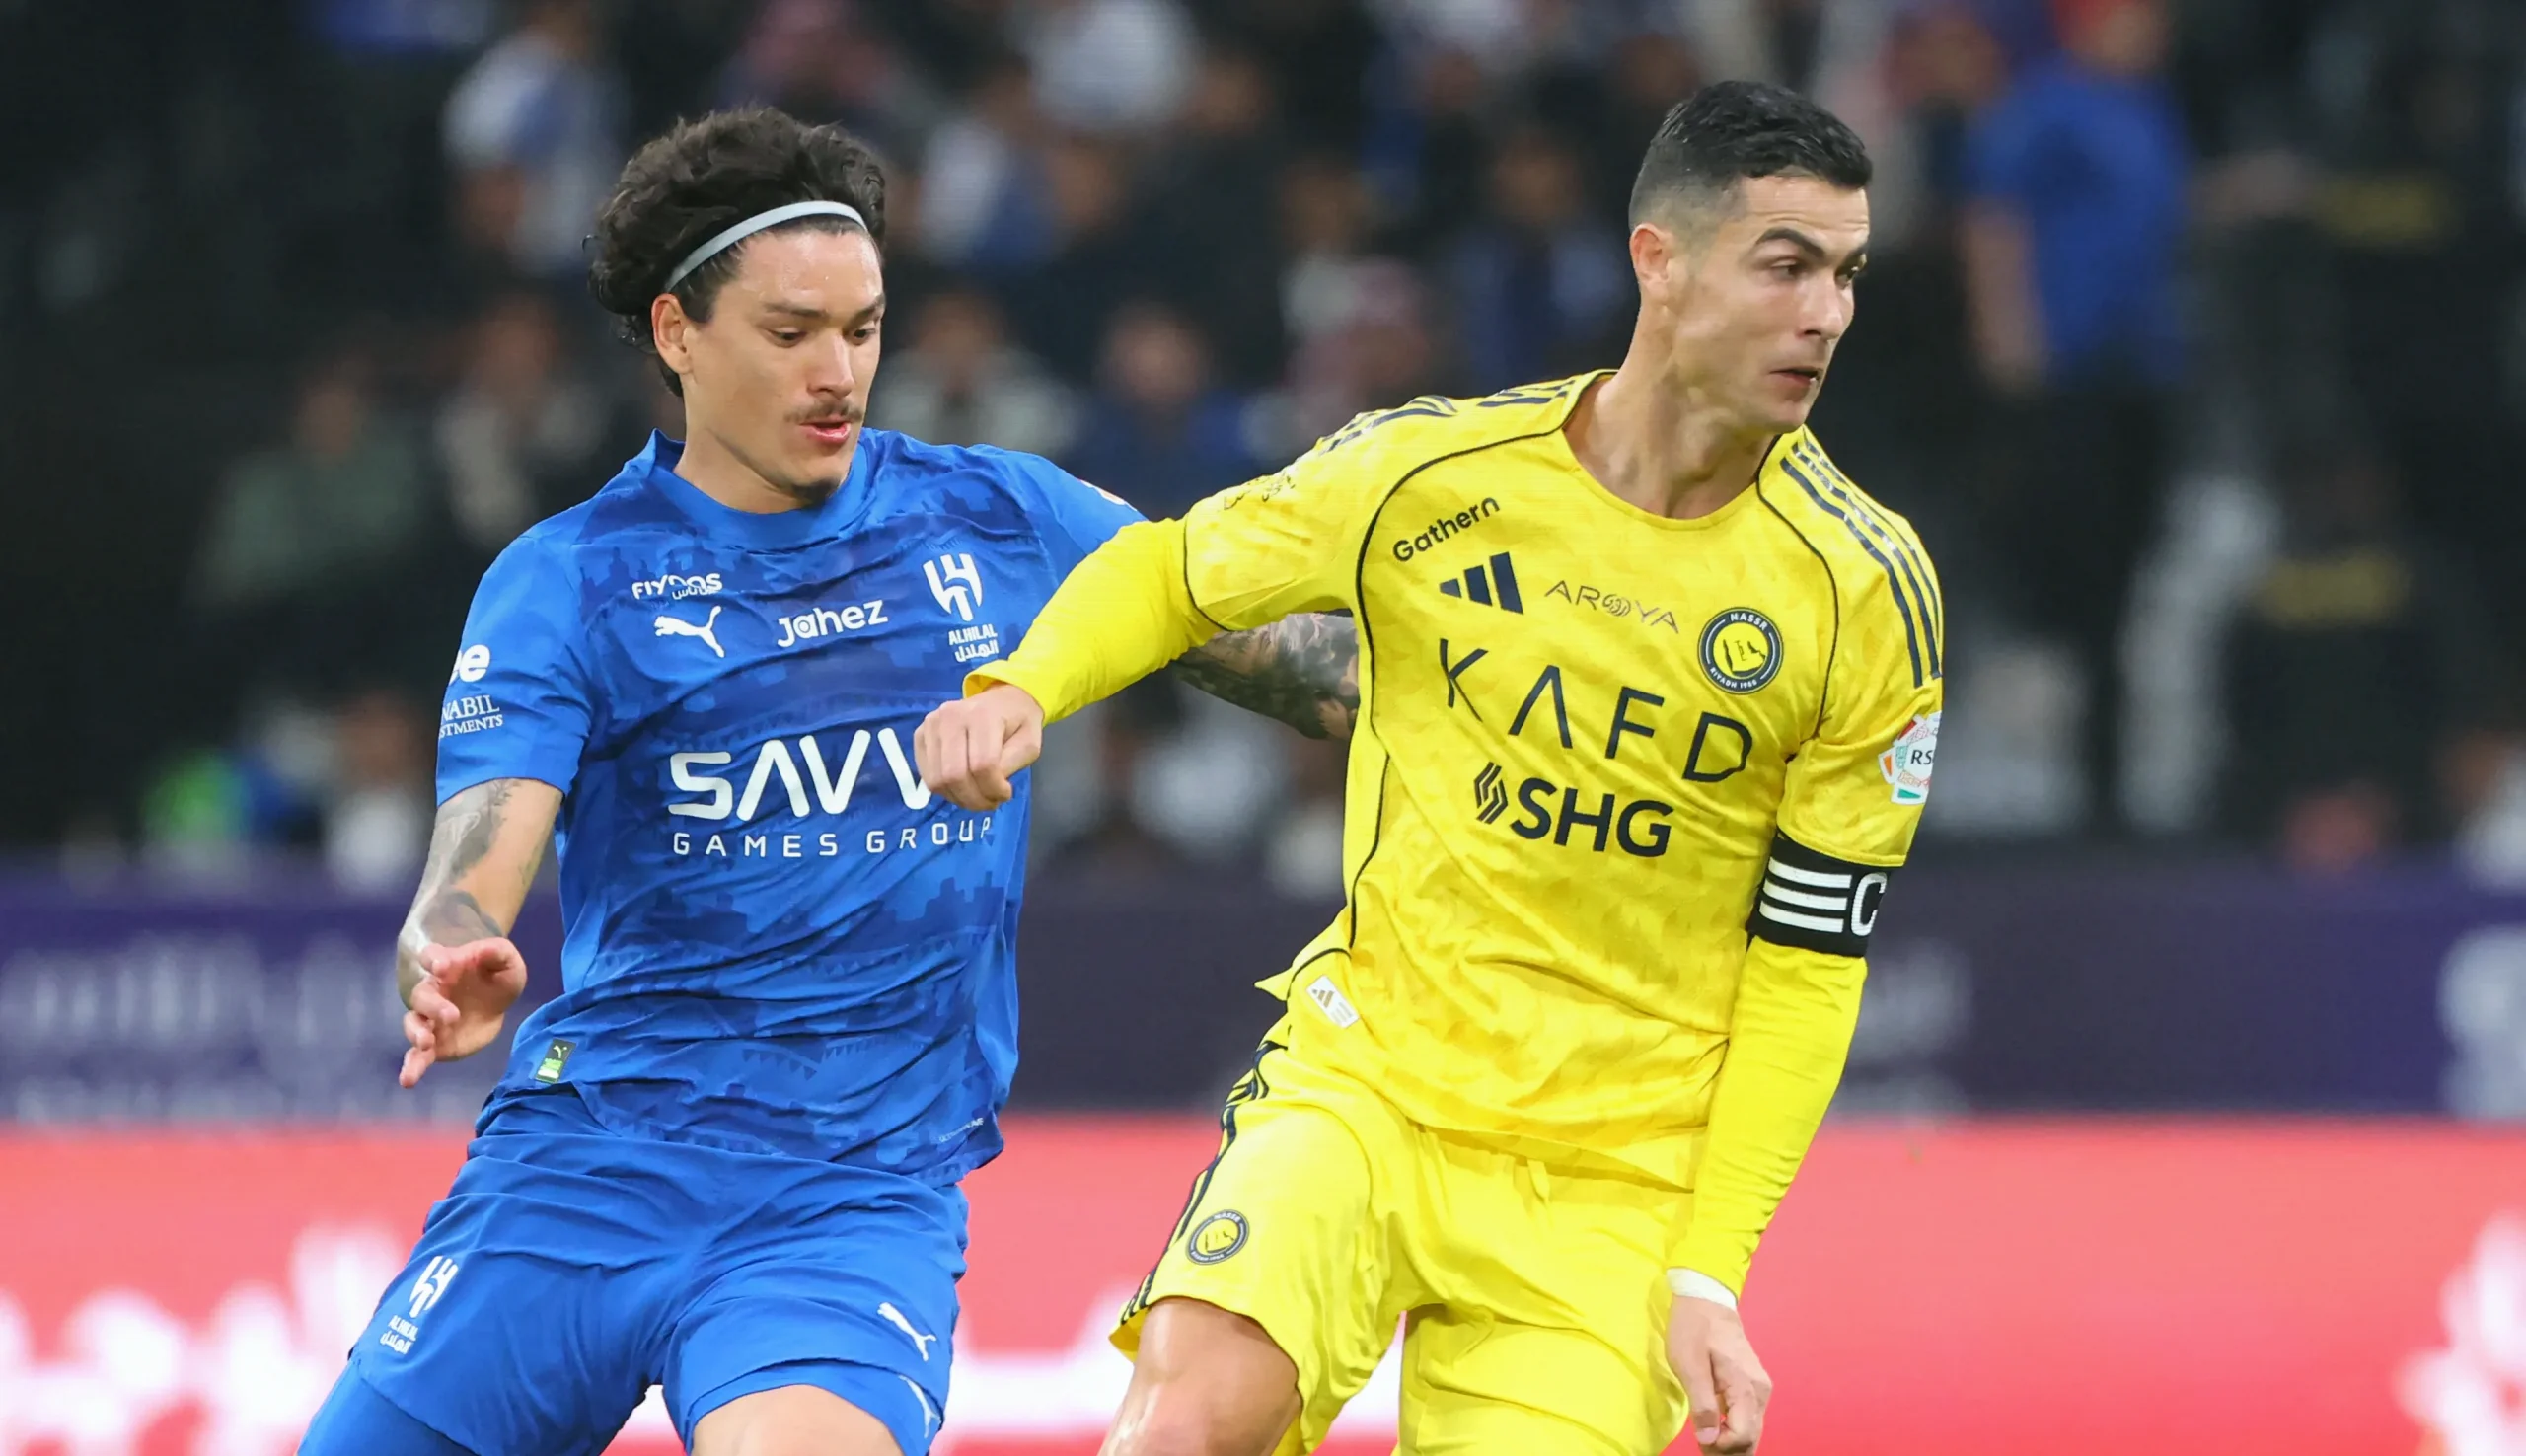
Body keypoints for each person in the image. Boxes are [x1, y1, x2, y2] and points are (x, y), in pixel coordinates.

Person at [297, 107, 1358, 1456]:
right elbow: (466, 883)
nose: (838, 372)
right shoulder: (572, 577)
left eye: (862, 329)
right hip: (584, 1174)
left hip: (847, 1207)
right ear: (678, 333)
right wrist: (451, 957)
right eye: (791, 332)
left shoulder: (1004, 518)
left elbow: (1313, 671)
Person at [919, 80, 1941, 1454]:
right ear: (1660, 260)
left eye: (1846, 274)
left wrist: (1710, 1268)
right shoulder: (1437, 473)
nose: (1826, 314)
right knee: (1186, 1420)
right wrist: (1020, 687)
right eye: (1786, 265)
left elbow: (1809, 963)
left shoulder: (1863, 592)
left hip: (1614, 1187)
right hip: (1369, 1087)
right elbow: (1171, 572)